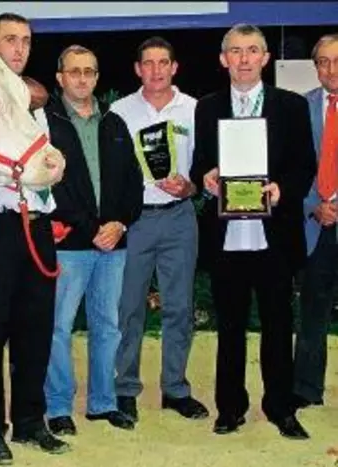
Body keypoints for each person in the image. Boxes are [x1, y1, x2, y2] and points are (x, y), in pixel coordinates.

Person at [190, 23, 316, 439]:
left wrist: (283, 190)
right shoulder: (206, 107)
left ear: (265, 58)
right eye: (236, 51)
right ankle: (230, 407)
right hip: (227, 238)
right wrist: (205, 177)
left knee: (279, 326)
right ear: (223, 58)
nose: (244, 59)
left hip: (274, 236)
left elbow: (304, 166)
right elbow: (199, 164)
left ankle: (280, 407)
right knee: (229, 328)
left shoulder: (291, 106)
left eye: (252, 51)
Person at [0, 12, 69, 465]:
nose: (19, 48)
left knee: (36, 327)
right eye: (9, 39)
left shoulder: (34, 103)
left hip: (37, 223)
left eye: (25, 40)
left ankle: (29, 422)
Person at [42, 45, 143, 435]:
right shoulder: (47, 124)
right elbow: (53, 188)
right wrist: (90, 229)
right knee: (58, 327)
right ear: (60, 78)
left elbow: (134, 183)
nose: (82, 78)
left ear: (97, 78)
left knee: (108, 326)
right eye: (74, 72)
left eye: (89, 72)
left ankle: (103, 403)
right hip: (70, 246)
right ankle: (58, 407)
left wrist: (120, 223)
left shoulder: (114, 123)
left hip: (113, 245)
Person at [110, 36, 209, 423]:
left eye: (162, 62)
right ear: (137, 69)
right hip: (134, 221)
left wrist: (192, 186)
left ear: (174, 67)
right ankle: (125, 388)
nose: (155, 70)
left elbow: (205, 167)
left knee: (179, 308)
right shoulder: (119, 111)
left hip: (179, 217)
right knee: (129, 308)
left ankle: (175, 389)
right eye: (147, 63)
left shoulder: (195, 110)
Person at [295, 33, 338, 409]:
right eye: (323, 62)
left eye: (337, 60)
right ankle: (307, 390)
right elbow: (292, 169)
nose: (331, 69)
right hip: (315, 225)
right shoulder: (300, 108)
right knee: (312, 310)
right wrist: (313, 206)